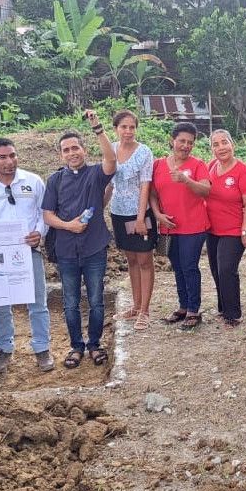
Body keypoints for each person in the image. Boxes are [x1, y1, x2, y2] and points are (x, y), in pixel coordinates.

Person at [0, 137, 54, 374]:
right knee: (0, 305)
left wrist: (39, 232)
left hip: (29, 251)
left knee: (38, 302)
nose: (9, 162)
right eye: (3, 157)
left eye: (13, 155)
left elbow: (43, 213)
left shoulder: (33, 181)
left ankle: (42, 348)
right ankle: (4, 349)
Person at [42, 110, 116, 369]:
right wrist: (68, 226)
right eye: (66, 150)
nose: (72, 153)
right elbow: (47, 215)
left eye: (76, 148)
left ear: (84, 150)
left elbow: (111, 160)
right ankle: (76, 346)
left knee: (96, 299)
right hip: (66, 251)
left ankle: (94, 344)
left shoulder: (95, 175)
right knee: (70, 302)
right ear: (61, 155)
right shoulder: (54, 180)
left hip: (94, 248)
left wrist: (98, 128)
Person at [149, 122, 211, 329]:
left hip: (193, 226)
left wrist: (186, 180)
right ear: (172, 140)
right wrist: (158, 215)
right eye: (182, 141)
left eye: (190, 142)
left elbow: (205, 190)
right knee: (177, 267)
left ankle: (194, 310)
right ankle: (183, 306)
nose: (186, 146)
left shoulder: (197, 164)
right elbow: (153, 194)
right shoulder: (158, 165)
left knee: (189, 266)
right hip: (168, 227)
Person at [107, 110, 157, 331]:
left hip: (139, 214)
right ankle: (135, 306)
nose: (128, 131)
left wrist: (140, 218)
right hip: (118, 213)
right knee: (131, 260)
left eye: (131, 127)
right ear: (116, 129)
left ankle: (145, 311)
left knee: (145, 261)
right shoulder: (111, 149)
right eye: (123, 127)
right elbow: (108, 182)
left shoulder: (144, 151)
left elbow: (146, 184)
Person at [205, 129, 246, 327]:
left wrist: (245, 232)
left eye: (224, 142)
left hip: (234, 230)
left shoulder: (242, 171)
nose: (221, 147)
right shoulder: (211, 167)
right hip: (212, 229)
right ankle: (223, 308)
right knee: (216, 270)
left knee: (227, 269)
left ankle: (234, 313)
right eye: (215, 144)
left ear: (232, 144)